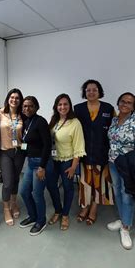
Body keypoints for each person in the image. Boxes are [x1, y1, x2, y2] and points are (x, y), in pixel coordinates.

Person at [106, 92, 135, 249]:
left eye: (129, 103)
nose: (125, 104)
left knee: (127, 196)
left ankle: (126, 228)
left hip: (128, 168)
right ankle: (121, 219)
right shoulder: (113, 121)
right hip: (112, 164)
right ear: (118, 103)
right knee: (117, 192)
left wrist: (129, 162)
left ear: (133, 107)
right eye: (122, 101)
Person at [74, 79, 115, 225]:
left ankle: (93, 209)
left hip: (101, 154)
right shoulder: (77, 109)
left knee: (99, 184)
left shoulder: (108, 108)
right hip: (84, 154)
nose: (91, 92)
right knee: (85, 183)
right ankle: (84, 207)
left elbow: (114, 129)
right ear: (85, 93)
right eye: (88, 90)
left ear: (99, 92)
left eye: (94, 90)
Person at [46, 94, 86, 230]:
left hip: (67, 161)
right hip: (53, 161)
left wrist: (73, 167)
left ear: (69, 106)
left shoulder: (75, 123)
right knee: (51, 186)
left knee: (68, 188)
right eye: (60, 104)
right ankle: (58, 210)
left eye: (65, 104)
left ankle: (65, 215)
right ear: (56, 107)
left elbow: (79, 147)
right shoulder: (54, 120)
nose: (62, 107)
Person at [18, 96, 52, 236]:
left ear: (36, 107)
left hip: (40, 163)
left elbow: (47, 145)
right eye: (25, 106)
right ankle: (32, 216)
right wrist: (21, 147)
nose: (27, 108)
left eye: (30, 106)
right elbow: (29, 142)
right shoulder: (26, 122)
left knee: (37, 193)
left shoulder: (41, 122)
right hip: (31, 162)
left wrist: (42, 167)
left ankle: (41, 220)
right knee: (24, 191)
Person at [0, 88, 25, 226]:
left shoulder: (22, 115)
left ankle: (14, 203)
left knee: (15, 179)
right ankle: (6, 208)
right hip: (5, 152)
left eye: (17, 98)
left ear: (20, 101)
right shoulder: (0, 112)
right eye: (12, 97)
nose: (14, 100)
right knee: (7, 182)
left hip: (19, 151)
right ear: (8, 98)